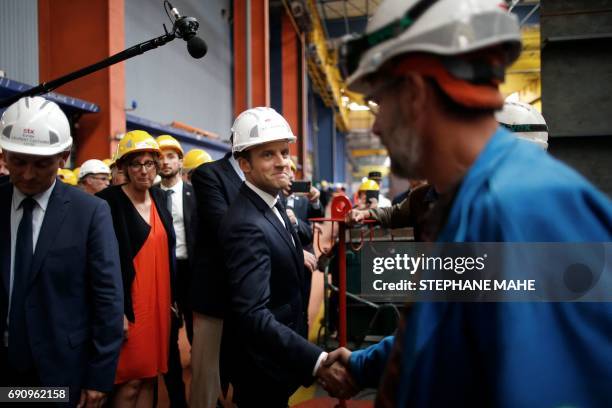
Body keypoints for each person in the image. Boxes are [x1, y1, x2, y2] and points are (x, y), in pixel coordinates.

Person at [324, 0, 612, 406]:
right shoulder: (465, 203)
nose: (375, 126)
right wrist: (363, 365)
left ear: (415, 94)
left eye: (379, 103)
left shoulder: (519, 211)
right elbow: (442, 325)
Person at [218, 107, 357, 406]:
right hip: (260, 368)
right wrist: (318, 360)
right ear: (245, 165)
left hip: (277, 360)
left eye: (284, 151)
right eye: (267, 155)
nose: (282, 162)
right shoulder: (245, 223)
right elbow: (253, 314)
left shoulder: (273, 202)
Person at [0, 96, 124, 407]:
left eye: (41, 164)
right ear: (3, 154)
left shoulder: (90, 212)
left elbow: (108, 298)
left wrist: (99, 377)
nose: (27, 174)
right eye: (18, 161)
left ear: (63, 157)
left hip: (59, 373)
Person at [96, 130, 176, 407]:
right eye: (136, 163)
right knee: (129, 379)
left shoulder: (159, 199)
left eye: (149, 163)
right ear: (124, 168)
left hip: (158, 303)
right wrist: (116, 309)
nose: (144, 170)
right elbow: (103, 262)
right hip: (130, 305)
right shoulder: (109, 202)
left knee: (150, 376)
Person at [189, 139, 243, 408]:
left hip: (250, 295)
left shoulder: (264, 176)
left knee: (246, 374)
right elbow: (227, 227)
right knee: (207, 378)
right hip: (215, 293)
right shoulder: (209, 173)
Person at [156, 134, 198, 408]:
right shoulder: (150, 195)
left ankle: (209, 393)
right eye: (160, 157)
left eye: (171, 156)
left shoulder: (195, 196)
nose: (166, 161)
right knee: (168, 337)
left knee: (199, 335)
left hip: (192, 274)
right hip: (163, 275)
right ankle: (177, 399)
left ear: (181, 162)